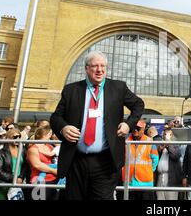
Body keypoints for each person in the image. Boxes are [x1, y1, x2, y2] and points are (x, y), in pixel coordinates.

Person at [50, 50, 144, 200]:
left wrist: (128, 124)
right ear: (87, 68)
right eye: (95, 66)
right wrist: (63, 127)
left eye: (103, 66)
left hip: (105, 161)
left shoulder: (118, 88)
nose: (99, 70)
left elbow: (138, 105)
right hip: (76, 160)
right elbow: (55, 117)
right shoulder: (71, 90)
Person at [122, 120, 158, 200]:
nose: (136, 130)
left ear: (143, 129)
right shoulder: (126, 141)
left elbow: (155, 159)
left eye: (139, 129)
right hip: (129, 183)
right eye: (135, 128)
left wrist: (148, 170)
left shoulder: (149, 142)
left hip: (145, 183)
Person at [0, 128, 29, 200]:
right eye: (15, 137)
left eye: (19, 136)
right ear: (9, 138)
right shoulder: (1, 152)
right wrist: (14, 178)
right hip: (3, 184)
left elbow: (25, 166)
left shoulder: (23, 150)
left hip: (17, 185)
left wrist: (21, 177)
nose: (17, 138)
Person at [26, 126, 59, 200]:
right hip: (39, 180)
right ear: (45, 135)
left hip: (54, 180)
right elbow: (37, 165)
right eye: (50, 134)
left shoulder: (50, 146)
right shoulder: (33, 148)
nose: (51, 136)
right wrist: (53, 170)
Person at [155, 127, 182, 200]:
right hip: (160, 178)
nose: (165, 136)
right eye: (164, 134)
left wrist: (168, 144)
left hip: (171, 179)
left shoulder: (176, 145)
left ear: (172, 136)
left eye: (168, 134)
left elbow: (175, 155)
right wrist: (160, 150)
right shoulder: (160, 146)